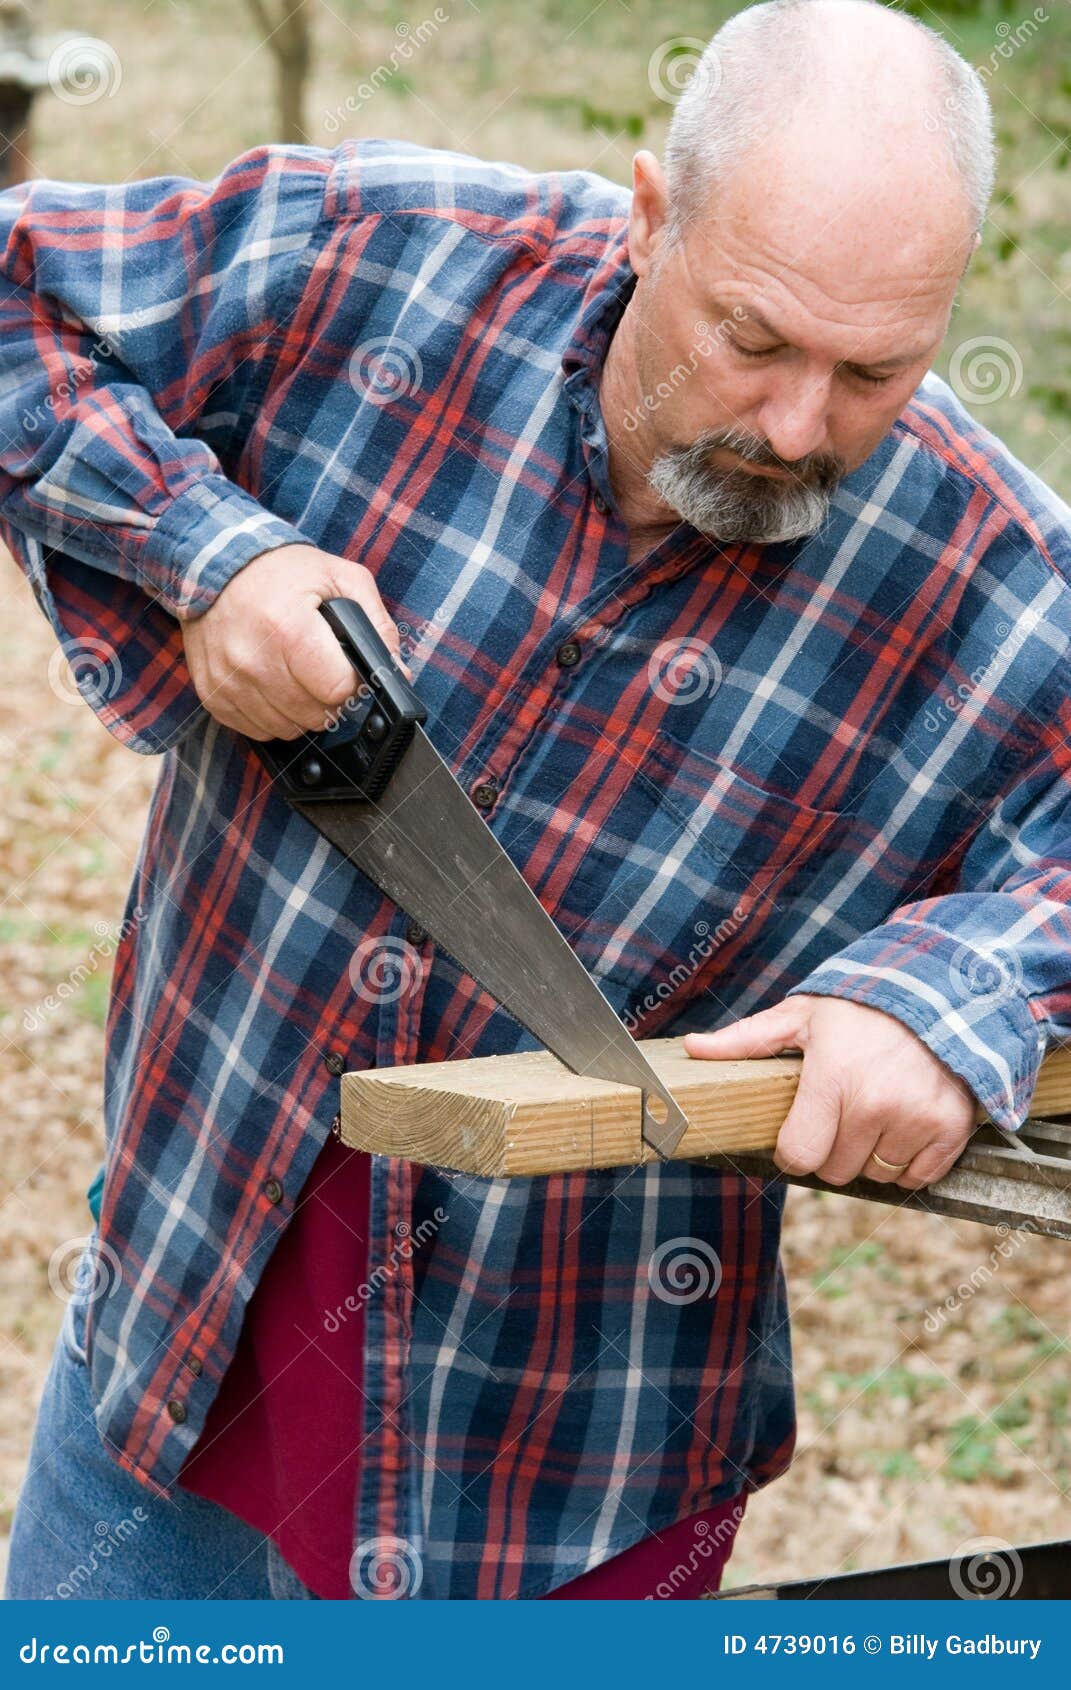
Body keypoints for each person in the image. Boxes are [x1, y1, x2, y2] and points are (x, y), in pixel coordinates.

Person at [5, 0, 1069, 1599]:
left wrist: (947, 994)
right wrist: (203, 550)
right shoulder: (379, 256)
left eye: (876, 372)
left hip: (572, 1485)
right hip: (170, 1367)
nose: (796, 428)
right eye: (754, 338)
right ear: (649, 215)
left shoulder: (991, 569)